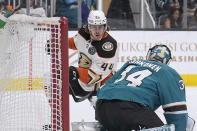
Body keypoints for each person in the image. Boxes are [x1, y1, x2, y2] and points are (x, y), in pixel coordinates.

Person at [96, 45, 188, 131]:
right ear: (167, 61)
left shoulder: (131, 63)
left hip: (102, 106)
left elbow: (106, 85)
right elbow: (176, 112)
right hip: (131, 109)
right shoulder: (168, 72)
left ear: (149, 55)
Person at [69, 10, 118, 105]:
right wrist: (57, 43)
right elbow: (75, 43)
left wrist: (76, 72)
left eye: (100, 27)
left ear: (105, 26)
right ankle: (56, 117)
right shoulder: (83, 33)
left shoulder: (108, 46)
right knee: (49, 80)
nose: (97, 31)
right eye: (94, 27)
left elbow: (95, 76)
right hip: (81, 83)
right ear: (88, 27)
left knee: (106, 116)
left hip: (100, 87)